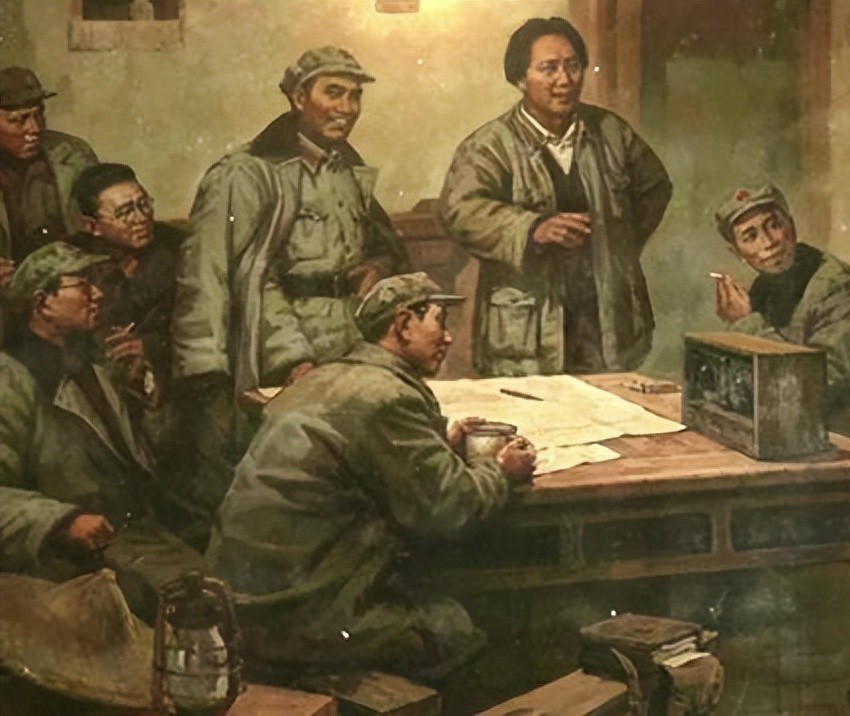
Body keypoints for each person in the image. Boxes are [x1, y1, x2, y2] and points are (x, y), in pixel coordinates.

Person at [207, 272, 538, 691]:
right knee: (456, 624)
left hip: (239, 604)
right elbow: (451, 507)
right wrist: (501, 471)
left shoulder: (321, 379)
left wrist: (439, 441)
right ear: (403, 324)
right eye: (439, 321)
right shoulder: (389, 397)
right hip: (293, 617)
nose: (449, 337)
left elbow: (364, 451)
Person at [170, 46, 407, 522]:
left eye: (355, 96)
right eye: (333, 93)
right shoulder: (247, 172)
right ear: (299, 98)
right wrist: (287, 359)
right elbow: (219, 276)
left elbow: (384, 244)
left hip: (347, 345)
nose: (346, 108)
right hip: (273, 353)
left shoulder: (346, 168)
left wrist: (377, 267)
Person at [441, 16, 672, 376]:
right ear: (520, 79)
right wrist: (532, 229)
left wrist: (615, 246)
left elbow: (655, 188)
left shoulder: (611, 132)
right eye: (548, 69)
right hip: (525, 332)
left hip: (606, 325)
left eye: (573, 66)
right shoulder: (489, 145)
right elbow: (460, 211)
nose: (564, 80)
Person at [0, 242, 196, 589]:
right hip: (66, 559)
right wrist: (63, 522)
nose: (98, 294)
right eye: (82, 284)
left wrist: (145, 387)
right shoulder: (9, 380)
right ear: (42, 304)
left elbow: (151, 459)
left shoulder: (95, 364)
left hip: (138, 534)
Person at [712, 182, 850, 438]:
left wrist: (746, 323)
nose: (768, 242)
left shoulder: (840, 288)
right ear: (738, 253)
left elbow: (816, 386)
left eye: (774, 225)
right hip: (791, 427)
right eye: (750, 236)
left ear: (792, 227)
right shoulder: (766, 285)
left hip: (841, 435)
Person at [68, 162, 184, 404]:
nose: (141, 218)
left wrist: (150, 347)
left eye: (144, 204)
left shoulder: (178, 249)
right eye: (125, 212)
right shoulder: (72, 262)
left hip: (170, 381)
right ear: (92, 226)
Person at [0, 66, 98, 269]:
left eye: (39, 115)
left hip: (72, 274)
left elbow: (101, 220)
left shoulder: (74, 154)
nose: (34, 128)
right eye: (18, 120)